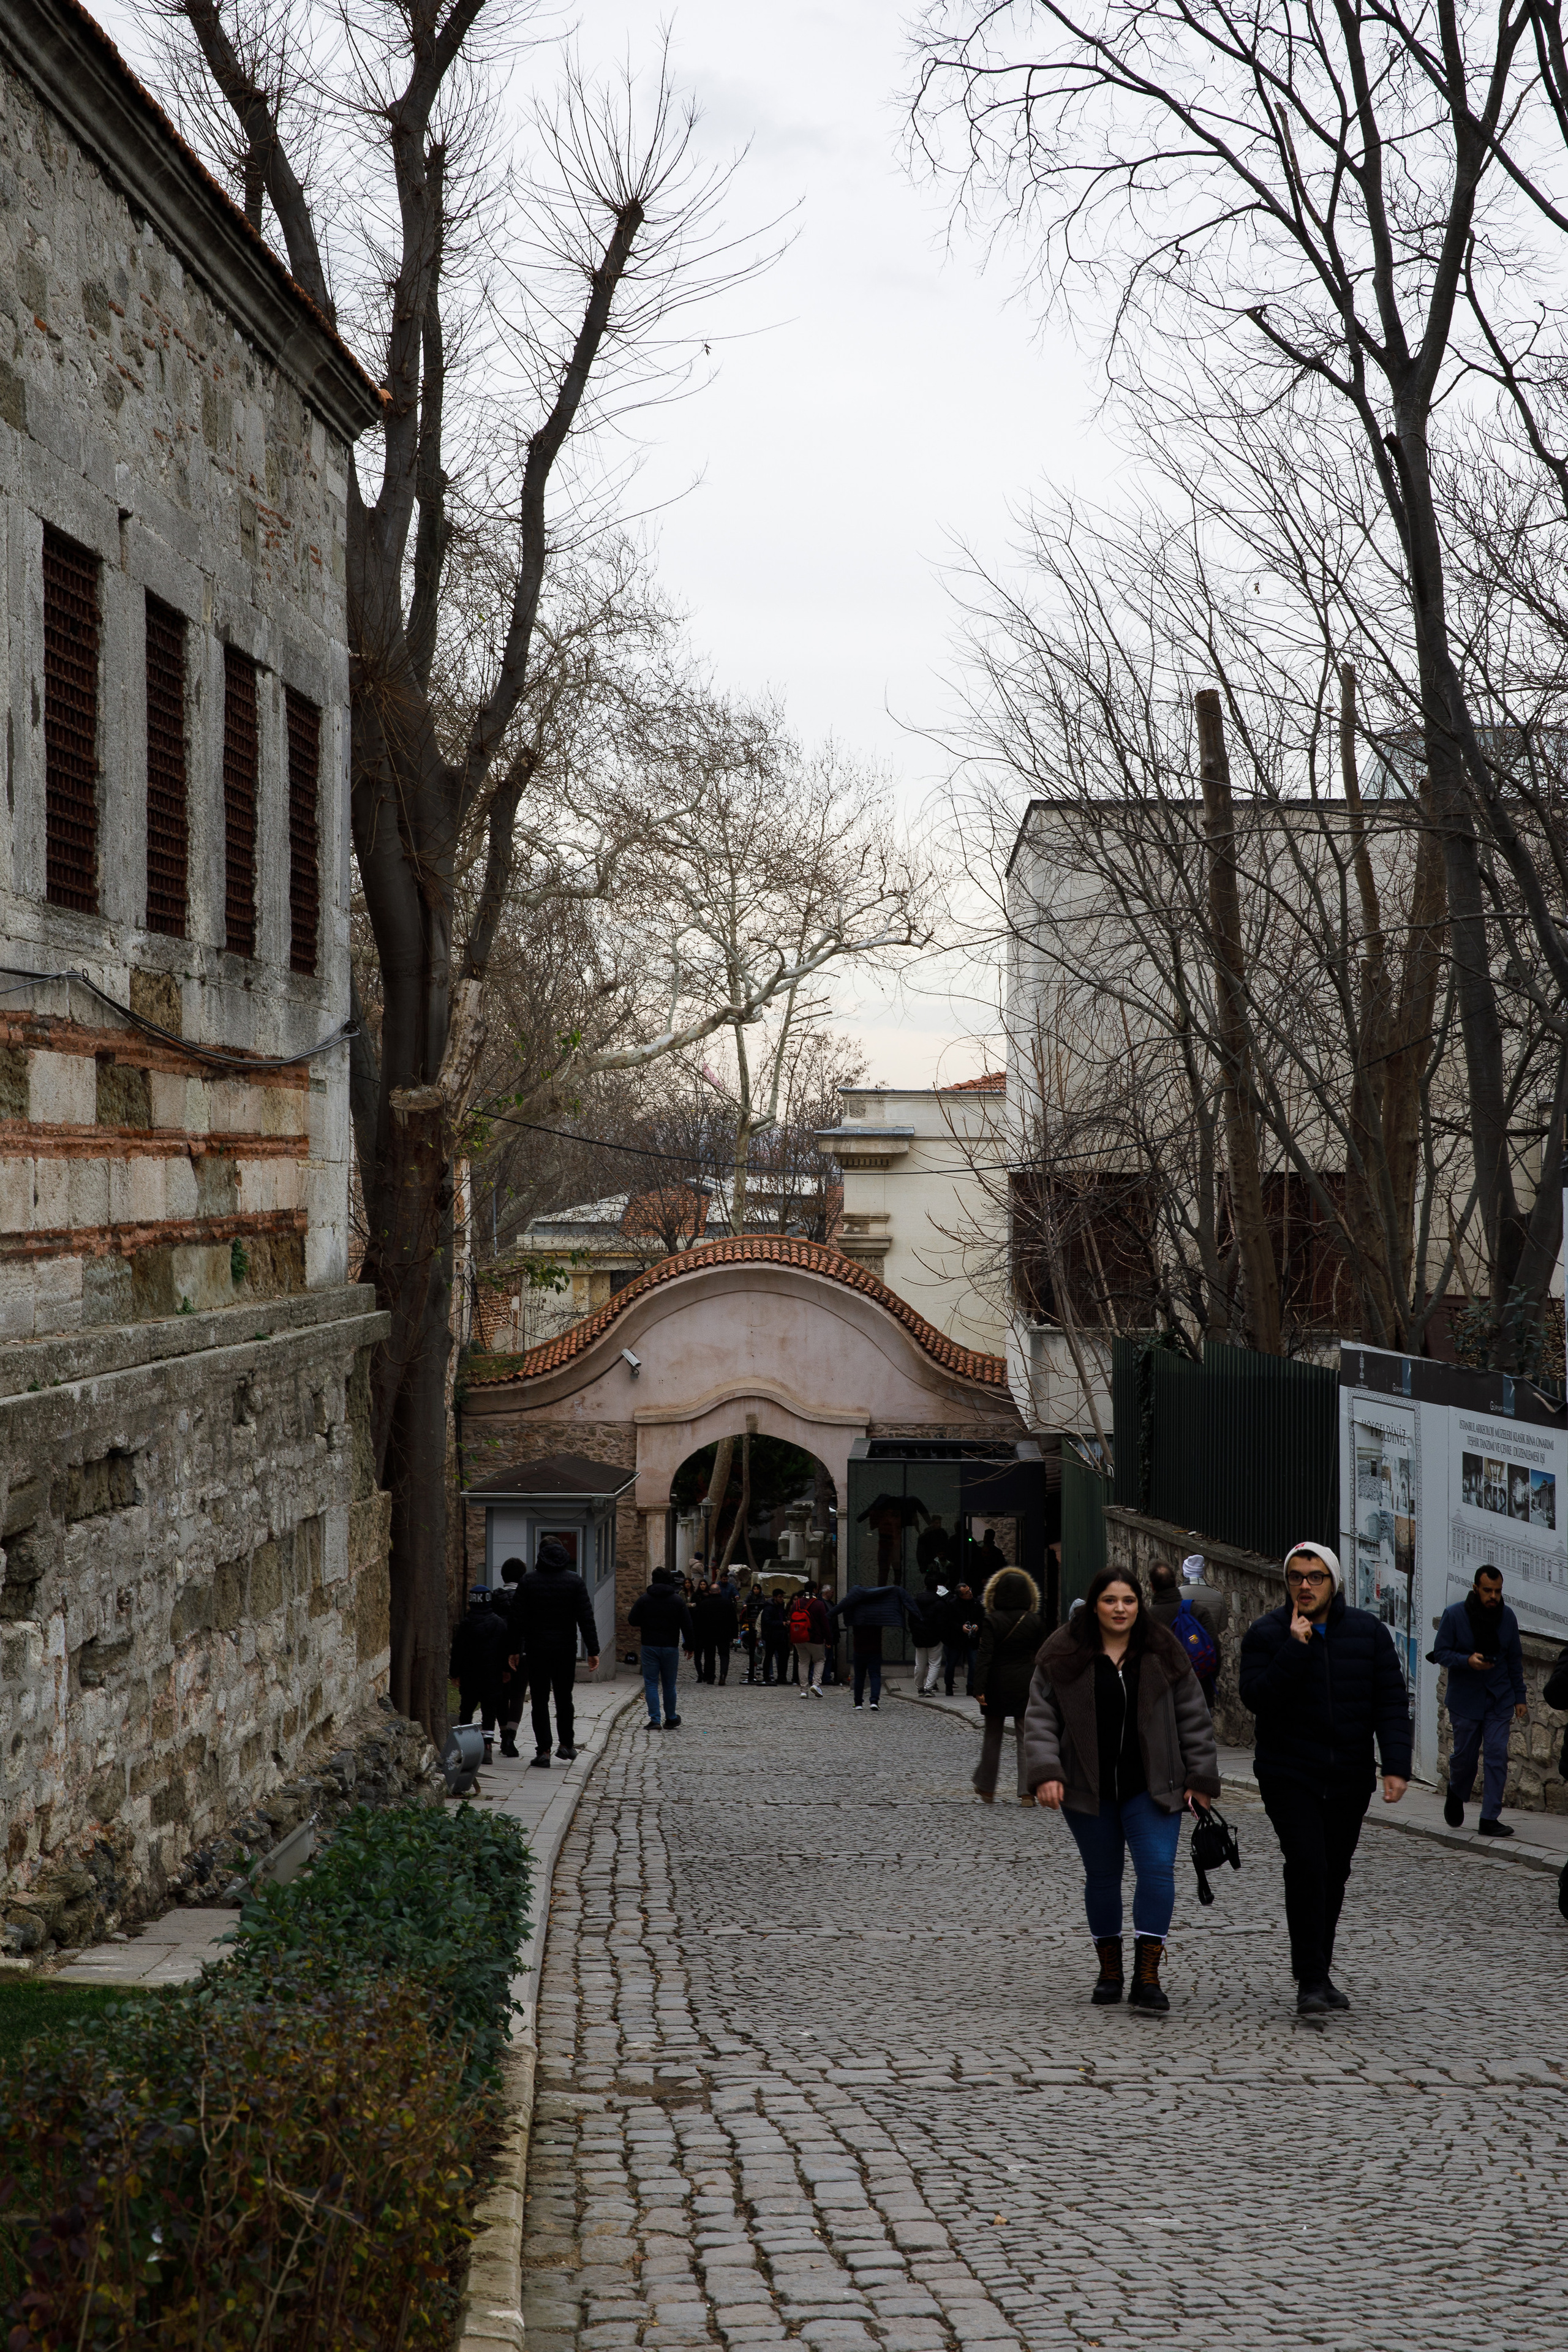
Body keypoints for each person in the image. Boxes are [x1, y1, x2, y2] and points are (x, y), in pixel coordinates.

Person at [1023, 1568, 1219, 2012]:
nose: (1119, 1609)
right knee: (1103, 1877)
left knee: (1157, 1871)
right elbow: (1040, 1719)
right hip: (1087, 1788)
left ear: (1139, 1604)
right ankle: (1109, 1972)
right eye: (1110, 1600)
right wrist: (1047, 1771)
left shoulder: (1163, 1649)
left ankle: (1147, 1977)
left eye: (1128, 1600)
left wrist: (1200, 1779)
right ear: (1094, 1605)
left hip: (1153, 1787)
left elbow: (1194, 1718)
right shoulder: (1064, 1651)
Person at [1239, 1540, 1411, 2015]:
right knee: (1308, 1866)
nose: (1305, 1585)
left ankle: (1319, 1970)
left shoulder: (1368, 1633)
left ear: (1334, 1583)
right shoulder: (1267, 1633)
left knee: (1334, 1873)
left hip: (1349, 1775)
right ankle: (1311, 1979)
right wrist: (1294, 1648)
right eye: (1296, 1576)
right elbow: (1256, 1697)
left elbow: (1390, 1702)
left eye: (1316, 1577)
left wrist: (1396, 1766)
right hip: (1289, 1774)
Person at [1434, 1564, 1527, 1834]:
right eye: (1488, 1590)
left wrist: (1520, 1697)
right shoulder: (1455, 1615)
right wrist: (1467, 1660)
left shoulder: (1507, 1618)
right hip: (1466, 1699)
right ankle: (1456, 1790)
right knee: (1465, 1757)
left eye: (1498, 1591)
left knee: (1497, 1755)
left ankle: (1489, 1818)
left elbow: (1514, 1659)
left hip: (1499, 1698)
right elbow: (1441, 1653)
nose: (1493, 1596)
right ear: (1476, 1588)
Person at [509, 1536, 600, 1768]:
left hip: (537, 1648)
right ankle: (566, 1744)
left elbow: (517, 1619)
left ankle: (544, 1751)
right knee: (564, 1698)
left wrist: (514, 1649)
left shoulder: (528, 1581)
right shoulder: (574, 1581)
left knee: (539, 1700)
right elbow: (586, 1617)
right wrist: (593, 1650)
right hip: (565, 1649)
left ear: (540, 1554)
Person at [973, 1567, 1049, 1804]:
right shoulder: (1035, 1621)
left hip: (996, 1682)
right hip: (1026, 1682)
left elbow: (985, 1656)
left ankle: (987, 1788)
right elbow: (1043, 1655)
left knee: (992, 1736)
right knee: (1026, 1738)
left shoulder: (991, 1620)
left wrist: (979, 1687)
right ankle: (1027, 1792)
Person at [1148, 1558, 1226, 1710]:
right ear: (1174, 1582)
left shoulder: (1148, 1618)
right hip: (1199, 1689)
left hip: (1163, 1695)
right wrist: (1209, 1679)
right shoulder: (1200, 1610)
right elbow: (1214, 1645)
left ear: (1152, 1587)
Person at [834, 1574, 917, 1709]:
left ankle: (858, 1703)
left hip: (859, 1650)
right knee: (875, 1676)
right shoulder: (878, 1616)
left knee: (859, 1677)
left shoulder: (857, 1615)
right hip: (875, 1650)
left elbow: (845, 1609)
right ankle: (874, 1701)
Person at [628, 1565, 696, 1728]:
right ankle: (671, 1718)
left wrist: (647, 1621)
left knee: (651, 1683)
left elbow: (632, 1620)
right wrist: (690, 1646)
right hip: (670, 1646)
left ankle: (655, 1720)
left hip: (649, 1645)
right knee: (669, 1685)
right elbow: (687, 1625)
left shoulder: (645, 1599)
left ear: (653, 1580)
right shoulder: (677, 1600)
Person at [449, 1584, 511, 1761]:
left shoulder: (466, 1624)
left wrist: (454, 1673)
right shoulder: (499, 1623)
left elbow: (458, 1651)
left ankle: (465, 1746)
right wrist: (506, 1670)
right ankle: (487, 1746)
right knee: (489, 1711)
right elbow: (504, 1649)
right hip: (492, 1675)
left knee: (467, 1709)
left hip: (470, 1675)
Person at [496, 1556, 529, 1757]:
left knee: (502, 1695)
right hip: (522, 1653)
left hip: (499, 1652)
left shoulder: (495, 1597)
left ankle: (502, 1734)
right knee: (518, 1695)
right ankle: (511, 1737)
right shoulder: (527, 1598)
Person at [789, 1582, 832, 1694]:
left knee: (803, 1662)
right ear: (815, 1590)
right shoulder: (819, 1604)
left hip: (799, 1638)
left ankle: (804, 1690)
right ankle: (816, 1684)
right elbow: (825, 1624)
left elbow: (792, 1621)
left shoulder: (797, 1603)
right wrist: (828, 1640)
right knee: (819, 1660)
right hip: (815, 1639)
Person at [910, 1571, 948, 1694]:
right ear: (936, 1587)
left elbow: (911, 1619)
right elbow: (942, 1622)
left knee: (920, 1664)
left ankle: (920, 1687)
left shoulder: (916, 1601)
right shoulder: (940, 1603)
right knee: (934, 1664)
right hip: (934, 1637)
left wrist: (914, 1632)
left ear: (925, 1585)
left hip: (919, 1636)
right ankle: (928, 1688)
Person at [941, 1578, 980, 1696]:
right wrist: (960, 1628)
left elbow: (981, 1617)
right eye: (967, 1592)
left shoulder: (976, 1603)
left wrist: (977, 1625)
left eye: (969, 1590)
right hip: (956, 1639)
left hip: (971, 1639)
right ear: (960, 1595)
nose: (970, 1593)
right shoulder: (952, 1604)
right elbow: (948, 1622)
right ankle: (949, 1685)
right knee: (952, 1663)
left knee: (973, 1663)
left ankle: (971, 1687)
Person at [760, 1588, 792, 1686]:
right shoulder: (769, 1608)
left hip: (781, 1636)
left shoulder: (781, 1606)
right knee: (769, 1657)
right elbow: (767, 1621)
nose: (782, 1599)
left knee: (783, 1657)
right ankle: (767, 1677)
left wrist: (786, 1622)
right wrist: (781, 1623)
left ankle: (782, 1677)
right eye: (780, 1597)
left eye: (782, 1597)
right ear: (774, 1597)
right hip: (771, 1636)